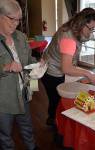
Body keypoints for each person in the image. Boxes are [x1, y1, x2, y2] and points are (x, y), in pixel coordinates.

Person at [42, 7, 95, 128]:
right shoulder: (68, 38)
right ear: (82, 24)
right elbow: (66, 68)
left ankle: (53, 119)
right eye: (91, 28)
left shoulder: (72, 28)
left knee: (55, 99)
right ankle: (56, 124)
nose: (92, 32)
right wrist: (87, 73)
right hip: (51, 71)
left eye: (94, 29)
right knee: (57, 101)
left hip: (53, 66)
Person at [0, 0, 38, 149]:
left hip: (23, 93)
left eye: (18, 20)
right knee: (4, 135)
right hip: (3, 100)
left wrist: (37, 65)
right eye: (12, 19)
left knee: (27, 127)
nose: (16, 24)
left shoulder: (21, 37)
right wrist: (6, 67)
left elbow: (29, 60)